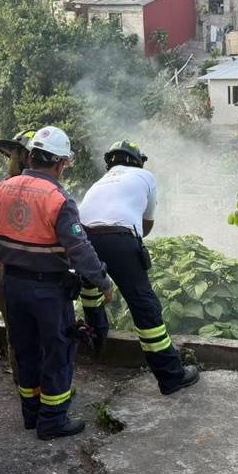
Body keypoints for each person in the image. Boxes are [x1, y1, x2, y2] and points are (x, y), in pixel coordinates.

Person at [0, 126, 114, 439]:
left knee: (25, 351)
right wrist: (103, 281)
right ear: (60, 163)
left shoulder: (0, 189)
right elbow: (79, 249)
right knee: (58, 351)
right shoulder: (58, 199)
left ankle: (32, 414)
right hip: (48, 290)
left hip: (12, 285)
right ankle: (52, 420)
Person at [78, 140, 198, 395]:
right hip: (120, 240)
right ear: (137, 160)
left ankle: (96, 344)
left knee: (89, 293)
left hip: (84, 241)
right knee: (144, 307)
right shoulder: (145, 176)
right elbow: (146, 225)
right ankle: (171, 376)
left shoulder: (99, 183)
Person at [0, 131, 33, 373]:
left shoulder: (1, 189)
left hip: (5, 271)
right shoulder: (51, 190)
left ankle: (22, 378)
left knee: (16, 330)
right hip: (42, 275)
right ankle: (48, 384)